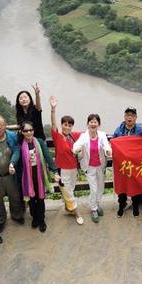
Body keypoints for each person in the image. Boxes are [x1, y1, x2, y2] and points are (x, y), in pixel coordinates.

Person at [9, 120, 58, 232]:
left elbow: (47, 156)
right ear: (22, 132)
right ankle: (34, 218)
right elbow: (16, 155)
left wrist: (54, 170)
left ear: (33, 131)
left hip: (39, 175)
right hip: (27, 177)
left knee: (40, 198)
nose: (29, 132)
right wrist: (12, 163)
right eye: (26, 130)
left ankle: (41, 219)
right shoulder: (20, 145)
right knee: (32, 199)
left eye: (31, 130)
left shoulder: (39, 142)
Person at [49, 96, 83, 225]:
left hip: (73, 168)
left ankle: (69, 208)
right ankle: (77, 213)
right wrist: (53, 109)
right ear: (62, 125)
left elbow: (87, 135)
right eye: (65, 124)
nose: (67, 127)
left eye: (69, 125)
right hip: (62, 169)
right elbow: (53, 124)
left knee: (71, 189)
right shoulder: (57, 136)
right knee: (67, 191)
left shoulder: (74, 136)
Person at [72, 114, 112, 223]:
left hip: (100, 166)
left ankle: (97, 204)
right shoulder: (84, 136)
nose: (93, 124)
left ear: (99, 124)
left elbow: (106, 145)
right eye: (91, 122)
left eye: (95, 122)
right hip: (89, 167)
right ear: (87, 124)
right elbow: (76, 145)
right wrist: (77, 149)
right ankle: (93, 209)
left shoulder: (102, 135)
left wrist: (108, 151)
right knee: (93, 189)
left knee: (101, 188)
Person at [113, 107, 142, 217]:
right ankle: (121, 206)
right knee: (122, 186)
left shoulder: (139, 130)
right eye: (127, 115)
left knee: (135, 186)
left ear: (135, 118)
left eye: (132, 115)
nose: (129, 117)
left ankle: (135, 206)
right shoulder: (119, 130)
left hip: (135, 164)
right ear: (124, 117)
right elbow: (114, 144)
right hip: (122, 164)